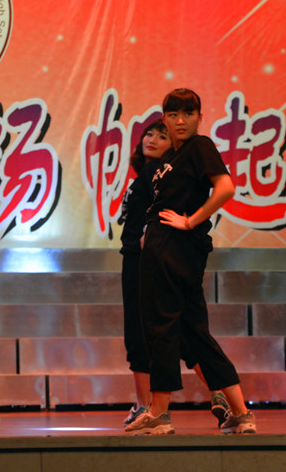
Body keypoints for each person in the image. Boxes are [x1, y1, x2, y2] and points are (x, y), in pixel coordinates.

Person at [125, 88, 256, 435]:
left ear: (200, 116)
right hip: (171, 247)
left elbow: (225, 188)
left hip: (173, 247)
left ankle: (159, 412)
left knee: (161, 326)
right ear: (164, 118)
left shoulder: (200, 146)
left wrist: (190, 221)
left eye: (188, 114)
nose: (180, 121)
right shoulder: (172, 158)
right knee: (195, 333)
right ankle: (241, 412)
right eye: (173, 115)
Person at [118, 119, 229, 428]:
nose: (152, 139)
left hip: (145, 257)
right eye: (149, 133)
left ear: (173, 147)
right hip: (153, 255)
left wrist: (171, 230)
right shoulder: (151, 173)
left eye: (161, 136)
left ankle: (146, 406)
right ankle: (218, 391)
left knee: (143, 332)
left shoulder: (158, 173)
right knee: (179, 332)